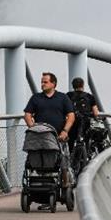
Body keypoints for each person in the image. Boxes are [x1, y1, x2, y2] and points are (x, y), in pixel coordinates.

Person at [24, 72, 75, 210]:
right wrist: (32, 128)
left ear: (53, 83)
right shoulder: (36, 98)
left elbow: (71, 115)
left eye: (45, 82)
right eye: (41, 81)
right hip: (40, 137)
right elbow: (27, 114)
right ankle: (41, 190)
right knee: (39, 162)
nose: (42, 84)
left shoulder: (63, 98)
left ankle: (65, 184)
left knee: (62, 162)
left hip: (59, 137)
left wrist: (65, 131)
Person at [66, 77, 99, 151]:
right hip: (85, 122)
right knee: (85, 139)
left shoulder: (68, 95)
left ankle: (71, 156)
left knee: (71, 141)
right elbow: (96, 113)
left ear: (73, 86)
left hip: (72, 121)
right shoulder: (89, 96)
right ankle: (85, 156)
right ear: (83, 85)